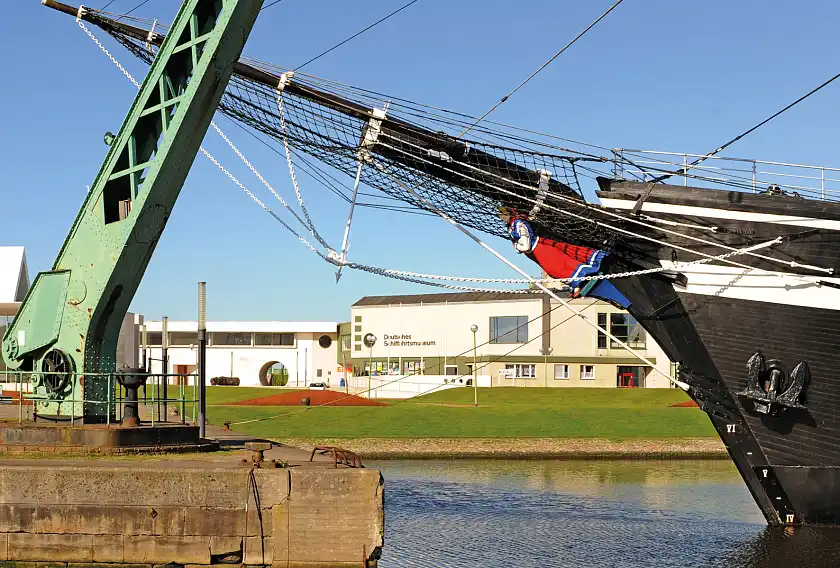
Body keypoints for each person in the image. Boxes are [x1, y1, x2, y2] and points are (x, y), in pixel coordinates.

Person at [500, 207, 607, 297]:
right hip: (534, 253)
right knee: (557, 269)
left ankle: (583, 278)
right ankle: (576, 285)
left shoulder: (519, 224)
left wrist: (518, 247)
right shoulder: (512, 226)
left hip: (539, 249)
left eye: (502, 213)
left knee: (556, 268)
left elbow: (526, 245)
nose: (501, 217)